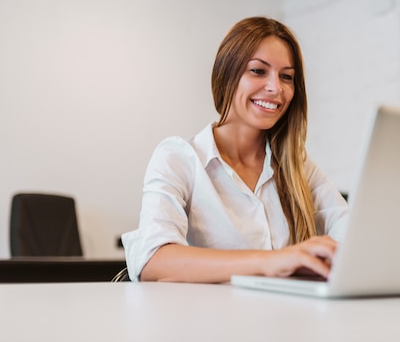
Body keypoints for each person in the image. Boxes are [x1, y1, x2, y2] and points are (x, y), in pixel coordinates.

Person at [122, 16, 348, 283]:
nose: (276, 88)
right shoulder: (179, 158)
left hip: (288, 319)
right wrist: (275, 261)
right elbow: (152, 261)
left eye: (286, 77)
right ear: (227, 75)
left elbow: (349, 231)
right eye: (258, 71)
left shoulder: (295, 164)